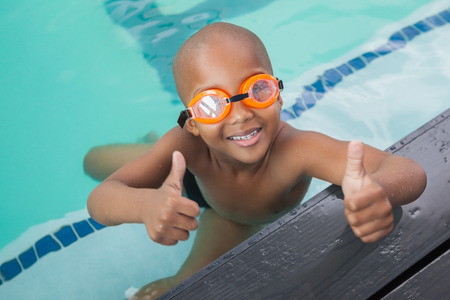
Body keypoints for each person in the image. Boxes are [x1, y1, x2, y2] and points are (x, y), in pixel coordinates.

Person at [86, 22, 427, 299]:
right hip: (184, 172)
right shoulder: (184, 142)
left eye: (257, 89)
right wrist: (144, 205)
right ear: (191, 122)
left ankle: (156, 154)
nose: (241, 115)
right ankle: (152, 149)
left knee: (183, 288)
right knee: (92, 161)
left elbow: (406, 170)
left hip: (231, 218)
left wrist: (378, 190)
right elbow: (101, 199)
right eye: (211, 105)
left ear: (279, 95)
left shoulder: (297, 149)